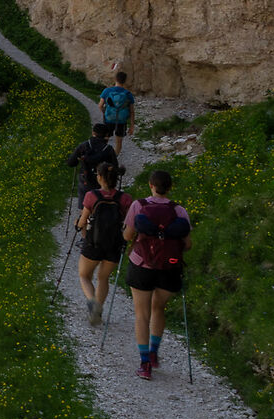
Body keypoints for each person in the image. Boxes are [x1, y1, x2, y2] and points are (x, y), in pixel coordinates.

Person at [124, 169, 192, 378]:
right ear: (170, 188)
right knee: (158, 308)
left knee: (142, 315)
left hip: (142, 265)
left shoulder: (138, 205)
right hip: (169, 268)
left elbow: (128, 235)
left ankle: (145, 364)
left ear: (151, 185)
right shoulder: (179, 210)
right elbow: (187, 245)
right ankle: (154, 353)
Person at [74, 162, 129, 325]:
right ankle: (98, 310)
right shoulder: (125, 198)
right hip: (114, 245)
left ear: (99, 177)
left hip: (93, 243)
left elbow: (82, 221)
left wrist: (78, 225)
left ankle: (93, 303)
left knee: (84, 275)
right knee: (103, 278)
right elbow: (126, 223)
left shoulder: (91, 196)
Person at [65, 123, 123, 202]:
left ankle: (84, 212)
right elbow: (115, 167)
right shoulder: (108, 149)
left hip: (85, 179)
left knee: (85, 203)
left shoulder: (83, 146)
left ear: (93, 133)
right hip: (102, 180)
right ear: (106, 135)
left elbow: (71, 163)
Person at [100, 70, 135, 153]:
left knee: (105, 140)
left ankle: (103, 158)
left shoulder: (107, 91)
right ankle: (114, 159)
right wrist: (132, 126)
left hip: (109, 119)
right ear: (125, 81)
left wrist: (104, 113)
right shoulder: (128, 94)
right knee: (119, 142)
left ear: (115, 79)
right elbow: (132, 111)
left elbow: (100, 105)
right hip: (122, 121)